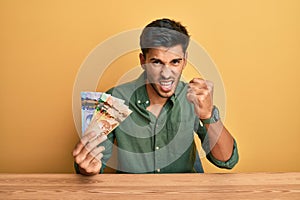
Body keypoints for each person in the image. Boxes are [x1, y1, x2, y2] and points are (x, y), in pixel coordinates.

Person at [73, 18, 239, 175]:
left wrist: (209, 115)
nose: (166, 74)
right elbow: (92, 163)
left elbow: (226, 160)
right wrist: (88, 168)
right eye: (157, 62)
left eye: (175, 62)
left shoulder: (194, 98)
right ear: (142, 60)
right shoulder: (114, 99)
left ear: (185, 60)